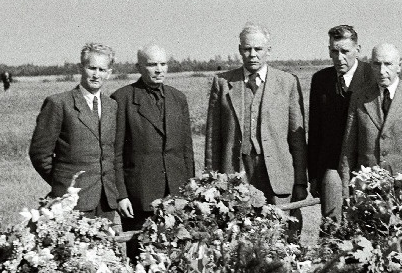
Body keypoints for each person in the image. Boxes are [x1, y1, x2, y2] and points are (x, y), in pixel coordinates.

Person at [205, 24, 307, 208]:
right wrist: (211, 181)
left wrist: (300, 181)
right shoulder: (222, 83)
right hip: (235, 175)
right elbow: (213, 140)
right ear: (240, 50)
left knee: (281, 230)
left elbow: (297, 139)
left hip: (276, 177)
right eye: (247, 49)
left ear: (268, 50)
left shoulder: (287, 82)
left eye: (258, 49)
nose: (252, 54)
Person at [112, 44, 195, 253]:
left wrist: (191, 189)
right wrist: (121, 195)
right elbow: (116, 153)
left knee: (177, 254)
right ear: (139, 67)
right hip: (139, 196)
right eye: (151, 64)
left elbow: (187, 150)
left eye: (163, 64)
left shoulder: (178, 98)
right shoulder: (122, 99)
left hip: (176, 194)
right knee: (141, 256)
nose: (159, 69)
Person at [28, 43, 120, 221]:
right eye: (91, 68)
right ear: (81, 68)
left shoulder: (112, 106)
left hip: (106, 202)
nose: (96, 74)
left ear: (109, 73)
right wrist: (64, 183)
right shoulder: (59, 103)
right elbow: (40, 154)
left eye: (102, 69)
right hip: (72, 202)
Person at [339, 42, 402, 195]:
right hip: (367, 190)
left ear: (399, 65)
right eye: (377, 64)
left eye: (388, 64)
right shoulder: (359, 97)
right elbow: (349, 148)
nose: (382, 71)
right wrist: (344, 189)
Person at [307, 25, 374, 212]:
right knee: (332, 227)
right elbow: (315, 131)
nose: (339, 58)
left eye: (345, 51)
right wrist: (314, 176)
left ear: (357, 50)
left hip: (362, 168)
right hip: (330, 170)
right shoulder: (320, 80)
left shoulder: (371, 76)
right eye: (334, 51)